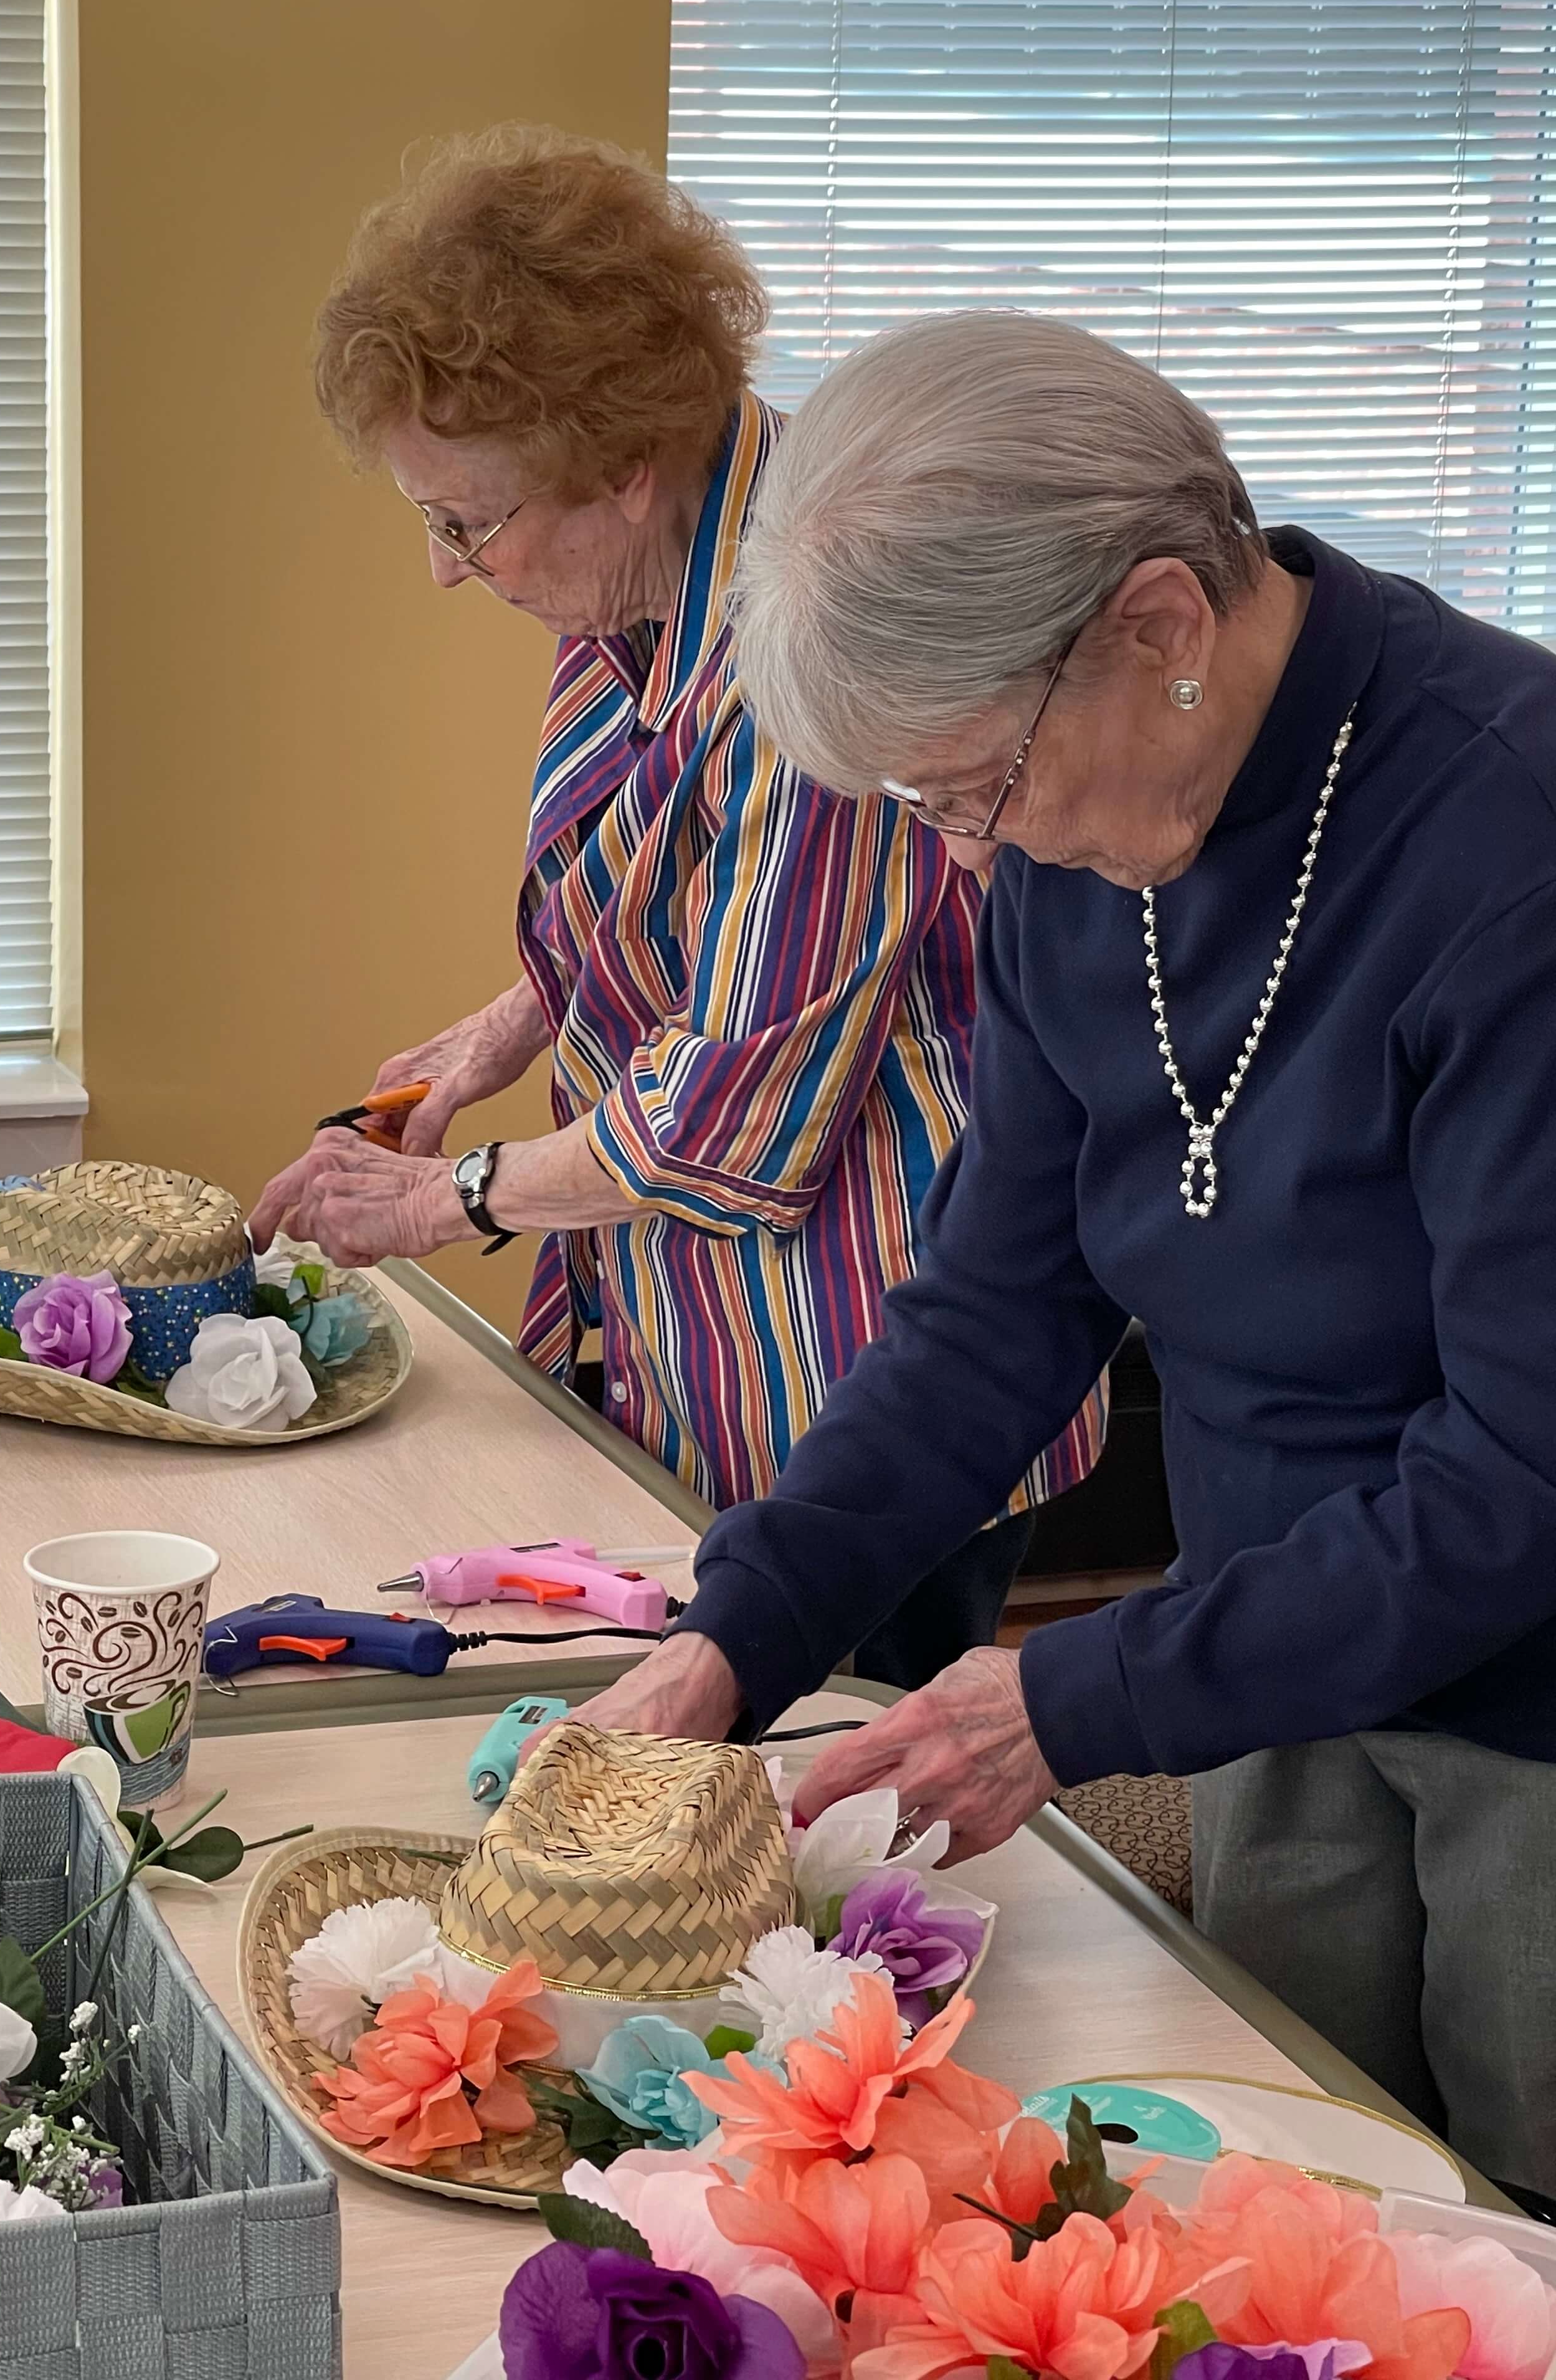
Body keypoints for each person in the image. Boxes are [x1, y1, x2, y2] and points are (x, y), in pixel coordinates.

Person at [565, 308, 1556, 2206]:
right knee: (1294, 2188)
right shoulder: (1081, 846)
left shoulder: (1509, 835)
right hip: (1279, 1655)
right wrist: (738, 1633)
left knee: (1518, 2222)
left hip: (1536, 1691)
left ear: (1159, 625)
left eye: (974, 784)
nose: (965, 854)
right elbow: (999, 1310)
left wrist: (1077, 1698)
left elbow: (1527, 1470)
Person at [252, 134, 1103, 1672]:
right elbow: (675, 878)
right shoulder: (640, 552)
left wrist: (442, 1202)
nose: (446, 568)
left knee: (818, 1797)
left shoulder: (814, 626)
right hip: (689, 1332)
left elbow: (729, 1120)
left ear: (619, 466)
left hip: (862, 1373)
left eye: (466, 522)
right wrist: (502, 1032)